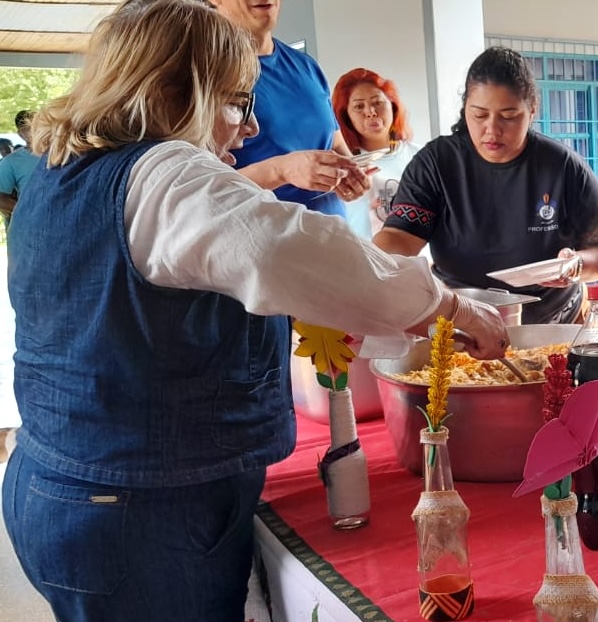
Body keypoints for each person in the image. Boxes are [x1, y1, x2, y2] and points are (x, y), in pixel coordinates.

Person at [0, 2, 509, 621]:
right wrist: (449, 306)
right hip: (138, 507)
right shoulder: (165, 176)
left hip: (57, 479)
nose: (248, 129)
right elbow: (297, 251)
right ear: (174, 93)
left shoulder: (59, 173)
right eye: (237, 103)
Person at [372, 46, 598, 325]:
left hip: (553, 321)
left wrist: (576, 265)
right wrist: (371, 268)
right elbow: (400, 236)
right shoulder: (436, 163)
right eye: (479, 115)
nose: (492, 130)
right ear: (465, 108)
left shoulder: (562, 166)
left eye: (509, 116)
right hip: (462, 319)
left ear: (532, 110)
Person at [206, 0, 370, 218]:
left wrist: (352, 175)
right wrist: (280, 171)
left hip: (331, 233)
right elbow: (201, 194)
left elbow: (335, 143)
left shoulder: (306, 66)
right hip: (263, 235)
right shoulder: (201, 75)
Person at [331, 67, 421, 239]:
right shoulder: (342, 166)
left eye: (377, 102)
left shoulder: (421, 157)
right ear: (346, 116)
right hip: (361, 254)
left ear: (392, 105)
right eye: (359, 106)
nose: (371, 112)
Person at [0, 110, 39, 227]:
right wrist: (28, 212)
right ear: (21, 134)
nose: (38, 130)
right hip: (28, 227)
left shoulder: (62, 155)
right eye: (30, 128)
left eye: (40, 125)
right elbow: (1, 199)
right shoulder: (10, 162)